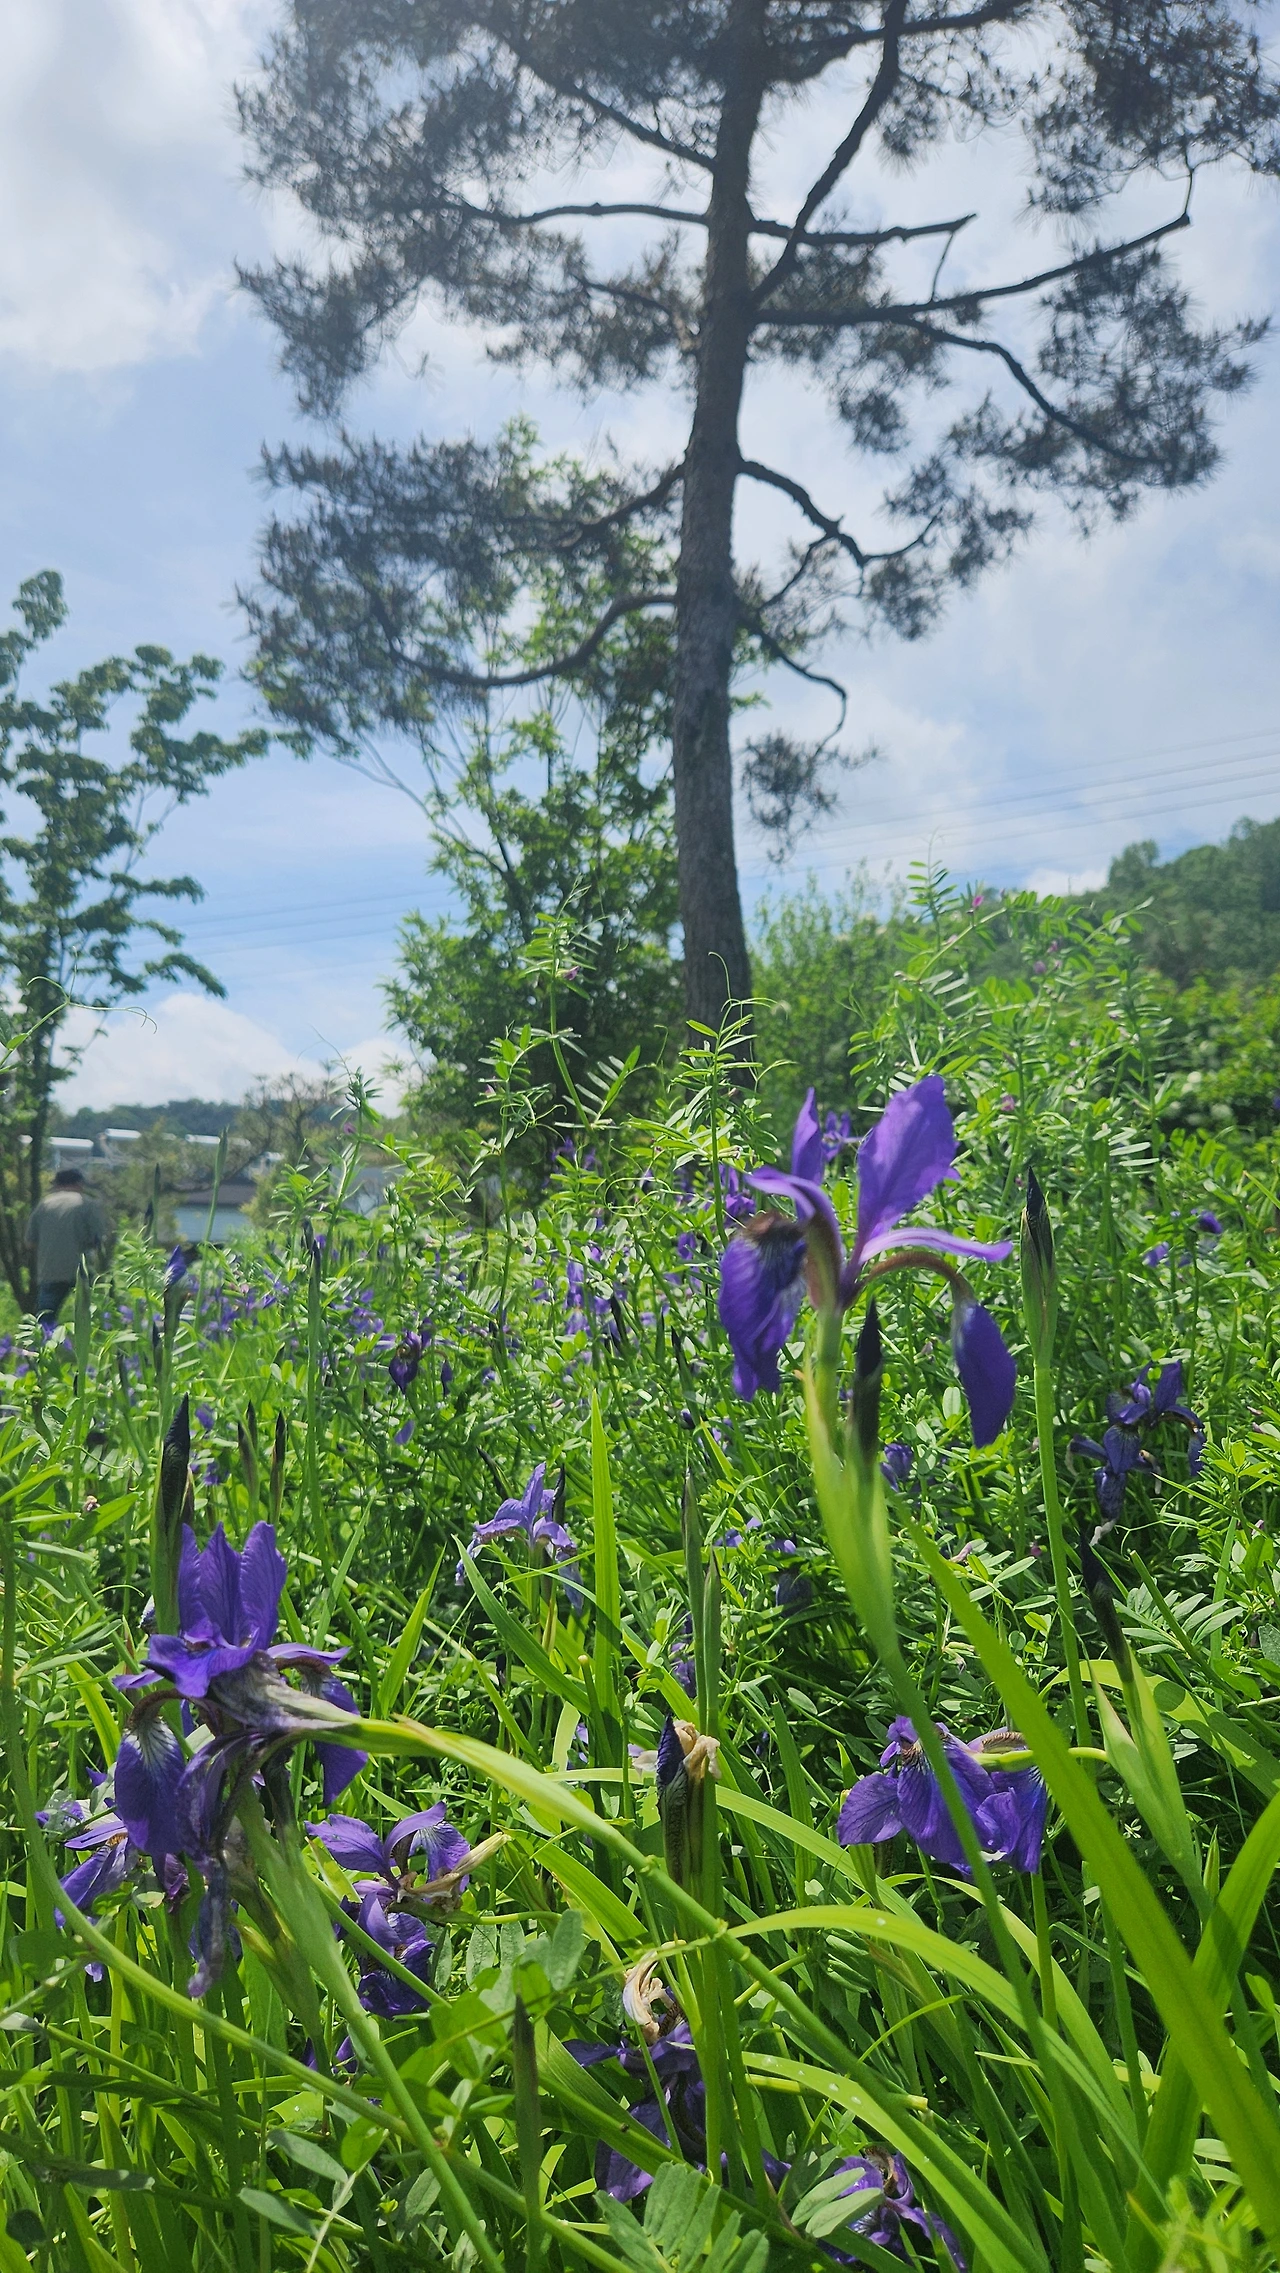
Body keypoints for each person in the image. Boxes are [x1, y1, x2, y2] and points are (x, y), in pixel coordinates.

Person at [26, 1168, 107, 1322]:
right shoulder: (87, 1204)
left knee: (46, 1317)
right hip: (81, 1270)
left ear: (57, 1184)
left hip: (49, 1271)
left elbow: (30, 1243)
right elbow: (98, 1240)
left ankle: (47, 1337)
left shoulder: (44, 1205)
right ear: (79, 1183)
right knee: (93, 1314)